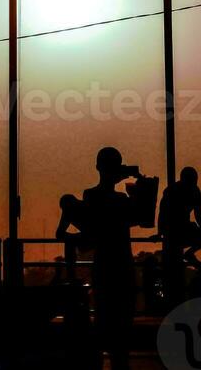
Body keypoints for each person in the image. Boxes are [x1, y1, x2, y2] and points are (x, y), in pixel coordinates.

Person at [82, 148, 144, 370]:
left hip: (104, 266)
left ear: (98, 167)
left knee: (102, 325)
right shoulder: (123, 200)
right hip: (122, 266)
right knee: (122, 334)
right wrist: (140, 186)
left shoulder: (90, 196)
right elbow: (144, 218)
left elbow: (88, 236)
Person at [157, 167, 201, 269]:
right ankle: (189, 254)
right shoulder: (192, 190)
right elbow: (198, 212)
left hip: (174, 229)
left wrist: (160, 232)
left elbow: (162, 213)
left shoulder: (172, 190)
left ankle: (188, 254)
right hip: (175, 229)